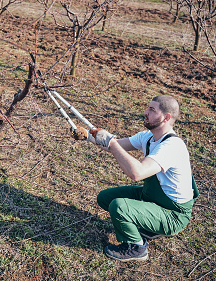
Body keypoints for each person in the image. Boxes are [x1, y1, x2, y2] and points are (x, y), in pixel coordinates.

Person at [73, 95, 198, 262]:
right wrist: (88, 136)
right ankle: (149, 226)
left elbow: (137, 173)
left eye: (152, 110)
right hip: (152, 198)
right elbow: (116, 145)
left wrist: (112, 143)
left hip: (173, 213)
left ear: (166, 117)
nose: (145, 112)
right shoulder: (148, 136)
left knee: (119, 207)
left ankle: (137, 247)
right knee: (106, 198)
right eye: (148, 108)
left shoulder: (172, 146)